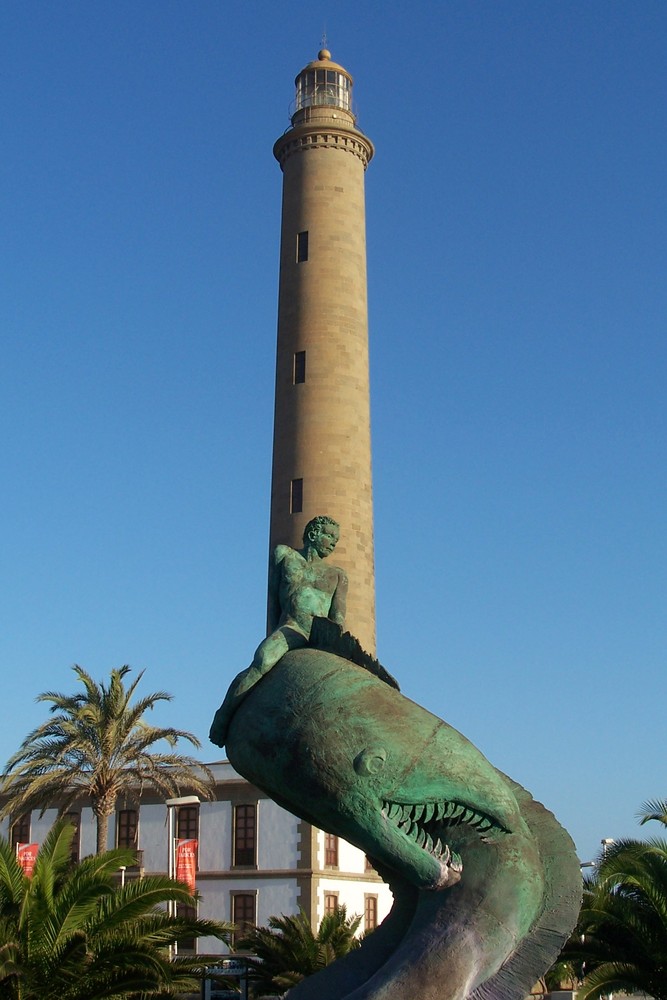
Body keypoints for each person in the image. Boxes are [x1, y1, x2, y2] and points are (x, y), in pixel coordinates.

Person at [210, 515, 347, 747]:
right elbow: (273, 598)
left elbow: (338, 616)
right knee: (262, 661)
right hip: (291, 628)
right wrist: (272, 631)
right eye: (329, 536)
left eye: (336, 538)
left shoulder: (338, 575)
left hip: (319, 637)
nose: (334, 543)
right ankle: (223, 715)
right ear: (313, 535)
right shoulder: (284, 555)